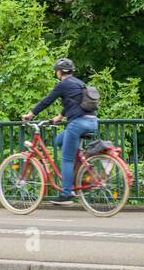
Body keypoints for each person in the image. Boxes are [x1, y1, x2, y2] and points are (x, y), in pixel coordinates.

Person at [22, 58, 98, 206]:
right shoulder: (79, 83)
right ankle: (78, 172)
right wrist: (60, 117)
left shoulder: (63, 84)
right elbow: (74, 103)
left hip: (77, 124)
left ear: (59, 71)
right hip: (92, 122)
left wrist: (31, 114)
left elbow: (47, 100)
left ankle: (66, 193)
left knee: (66, 159)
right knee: (59, 141)